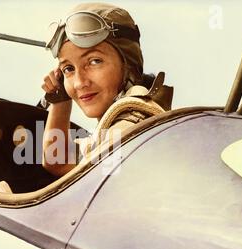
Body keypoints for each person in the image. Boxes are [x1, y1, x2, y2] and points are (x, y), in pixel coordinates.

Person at [41, 2, 173, 177]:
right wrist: (60, 99)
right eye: (68, 69)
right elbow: (58, 161)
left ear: (128, 65)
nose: (79, 83)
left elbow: (94, 190)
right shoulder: (114, 126)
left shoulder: (133, 124)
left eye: (94, 61)